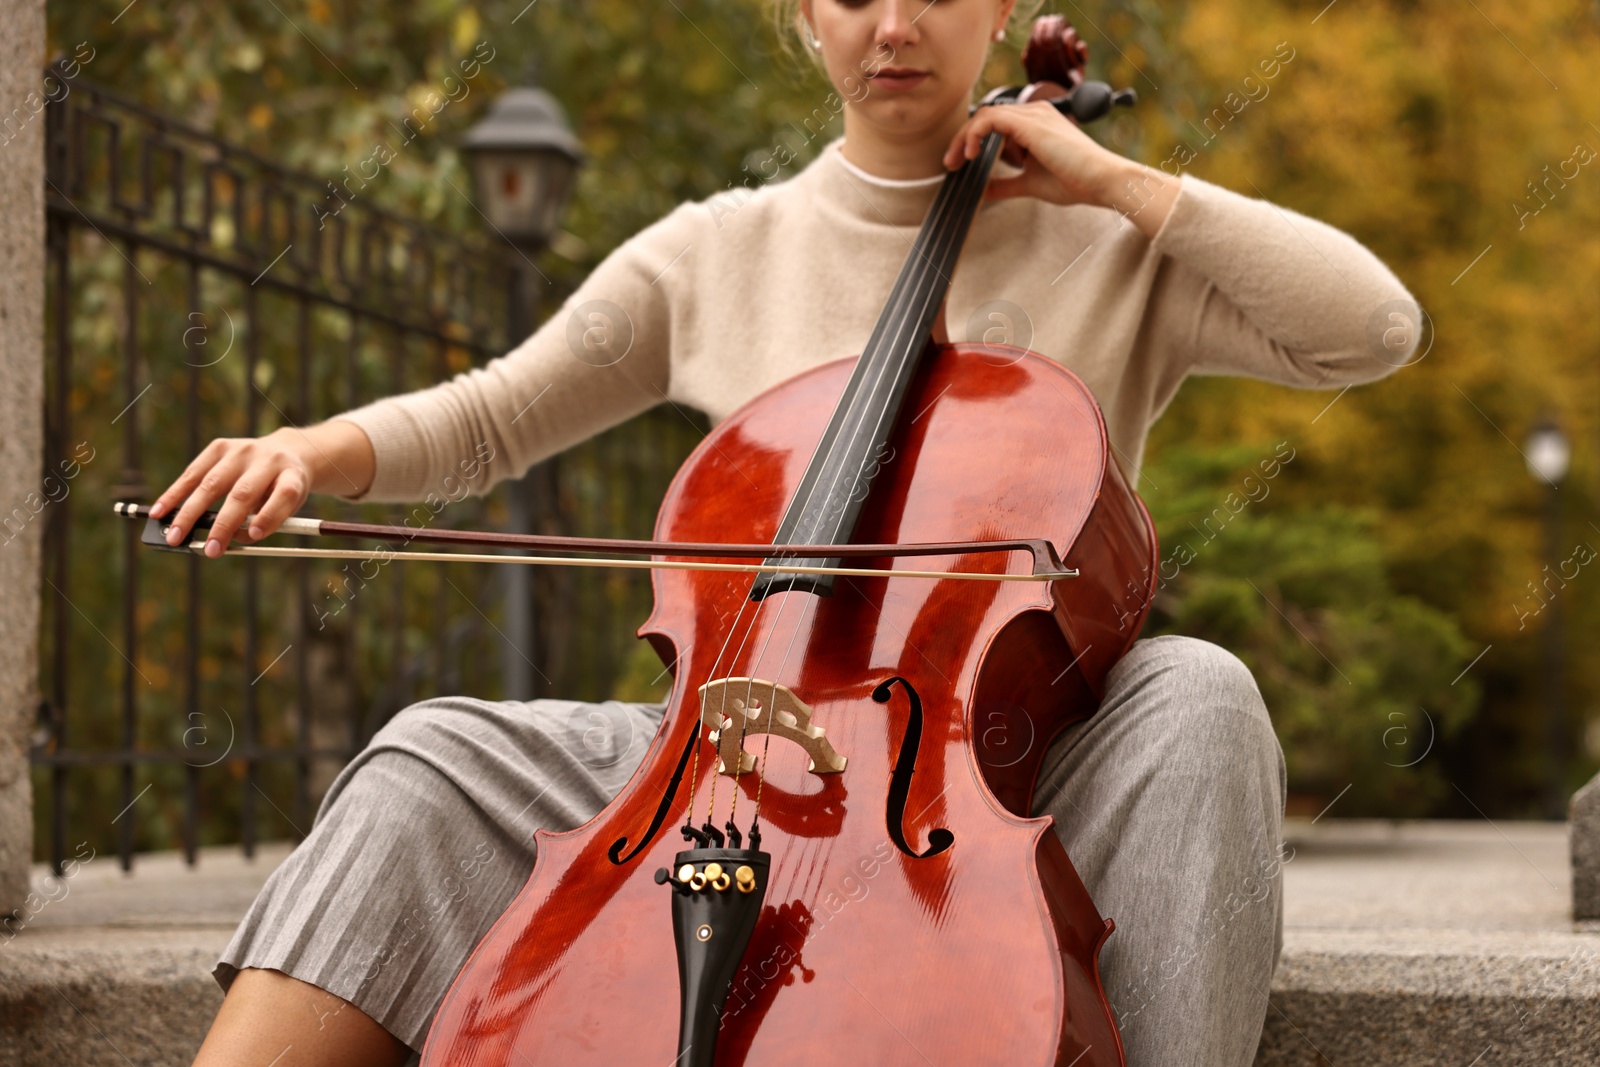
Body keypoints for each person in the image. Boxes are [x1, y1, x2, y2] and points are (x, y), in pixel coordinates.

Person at [161, 1, 1418, 1064]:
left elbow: (1370, 330)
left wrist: (1120, 182)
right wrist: (309, 452)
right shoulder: (718, 249)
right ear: (802, 13)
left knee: (1200, 691)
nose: (892, 23)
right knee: (429, 755)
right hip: (722, 745)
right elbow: (491, 416)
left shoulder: (1113, 240)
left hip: (1016, 761)